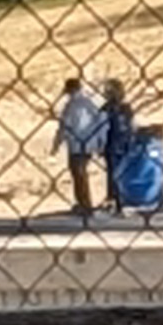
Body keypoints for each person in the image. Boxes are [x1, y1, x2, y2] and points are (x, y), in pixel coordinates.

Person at [54, 73, 105, 221]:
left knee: (78, 173)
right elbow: (100, 122)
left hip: (76, 144)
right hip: (89, 143)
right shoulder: (89, 103)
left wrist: (57, 143)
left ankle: (84, 203)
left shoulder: (70, 106)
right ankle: (84, 203)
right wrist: (99, 142)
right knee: (81, 173)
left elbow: (64, 126)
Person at [97, 78, 138, 212]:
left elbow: (102, 129)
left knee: (112, 173)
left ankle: (114, 199)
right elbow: (132, 126)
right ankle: (124, 199)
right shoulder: (126, 108)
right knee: (124, 172)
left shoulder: (106, 108)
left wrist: (100, 145)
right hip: (125, 143)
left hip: (112, 144)